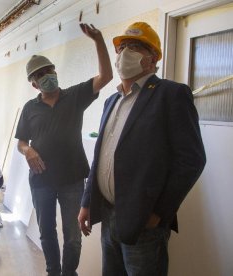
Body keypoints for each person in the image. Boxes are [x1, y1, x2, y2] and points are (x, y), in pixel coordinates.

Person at [78, 22, 206, 276]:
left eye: (135, 47)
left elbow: (192, 160)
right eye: (122, 47)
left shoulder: (171, 94)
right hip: (109, 214)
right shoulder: (111, 101)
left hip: (144, 222)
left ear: (152, 59)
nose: (125, 53)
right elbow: (101, 157)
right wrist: (87, 202)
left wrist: (159, 213)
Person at [15, 23, 113, 276]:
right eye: (41, 74)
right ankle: (52, 272)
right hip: (41, 179)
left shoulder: (75, 96)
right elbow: (21, 142)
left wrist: (99, 40)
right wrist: (28, 151)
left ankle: (69, 273)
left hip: (72, 179)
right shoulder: (30, 108)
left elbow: (106, 77)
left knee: (72, 236)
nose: (47, 75)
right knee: (46, 231)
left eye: (49, 70)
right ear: (34, 84)